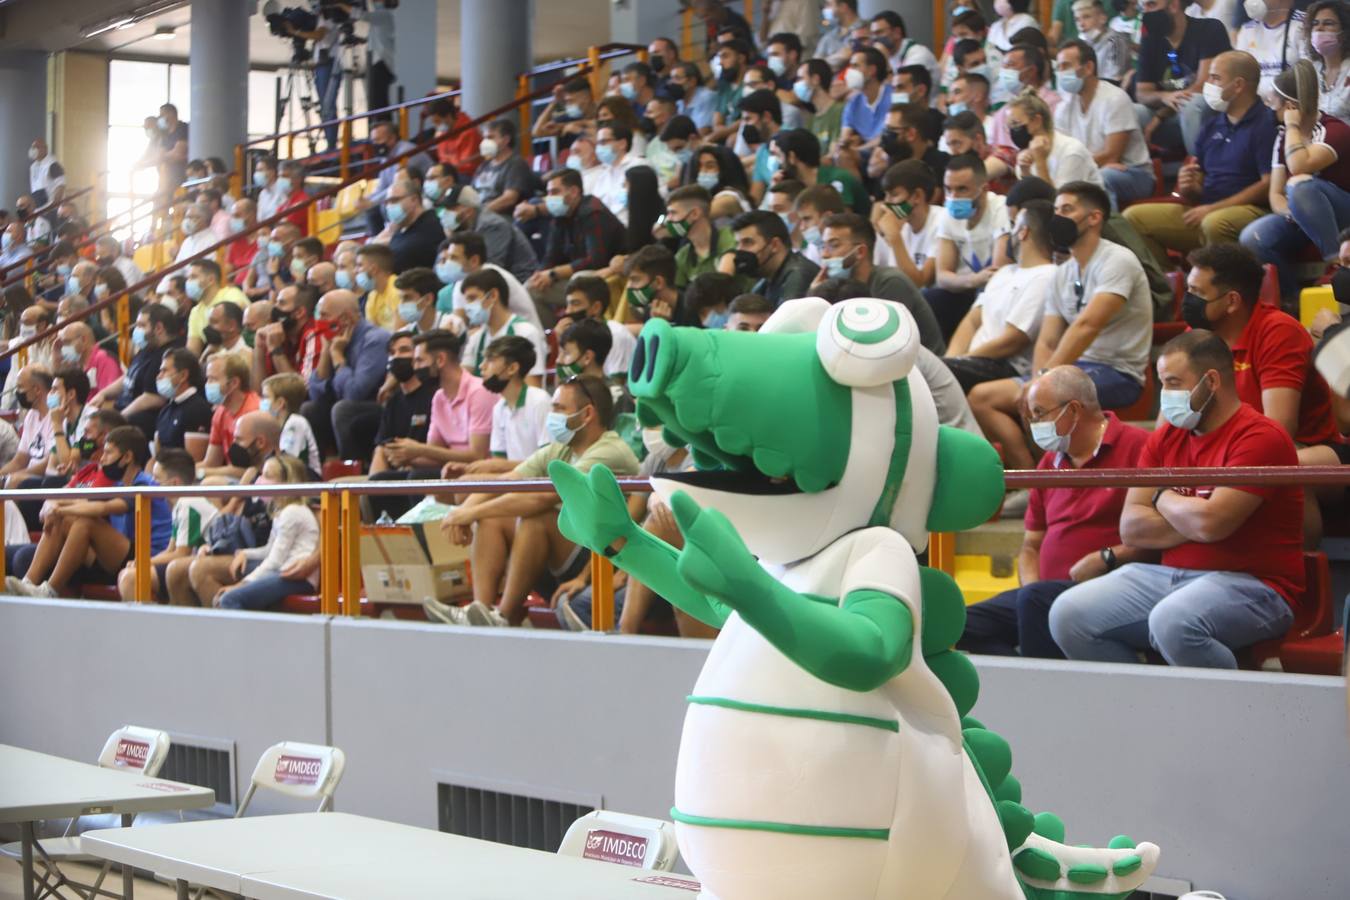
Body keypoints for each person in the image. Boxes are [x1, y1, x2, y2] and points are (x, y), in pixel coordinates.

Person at [1049, 331, 1303, 669]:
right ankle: (1141, 712)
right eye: (1163, 384)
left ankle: (1228, 717)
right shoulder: (1166, 437)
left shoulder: (1260, 437)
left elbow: (1211, 524)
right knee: (1068, 614)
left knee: (1174, 621)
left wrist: (1160, 494)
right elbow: (1132, 529)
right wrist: (1200, 517)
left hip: (1256, 585)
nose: (1166, 396)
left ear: (1211, 381)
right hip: (1168, 575)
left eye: (1173, 383)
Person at [959, 366, 1153, 657]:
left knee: (1034, 603)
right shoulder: (1049, 462)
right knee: (963, 625)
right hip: (1042, 594)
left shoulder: (1140, 447)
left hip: (1106, 588)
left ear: (1073, 410)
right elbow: (1030, 545)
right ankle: (1027, 684)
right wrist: (1030, 587)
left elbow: (1158, 539)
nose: (1034, 424)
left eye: (1039, 413)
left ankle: (1044, 693)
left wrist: (1107, 557)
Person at [969, 182, 1151, 471]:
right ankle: (1032, 479)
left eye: (1067, 209)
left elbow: (1087, 326)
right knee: (981, 397)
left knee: (1049, 398)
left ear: (1094, 218)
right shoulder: (1062, 272)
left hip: (1117, 372)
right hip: (1071, 368)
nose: (1057, 218)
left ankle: (1056, 480)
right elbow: (1048, 340)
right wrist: (1037, 380)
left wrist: (1042, 382)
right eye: (1055, 210)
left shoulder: (1117, 260)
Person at [435, 375, 641, 627]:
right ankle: (481, 613)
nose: (551, 415)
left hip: (601, 557)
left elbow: (541, 498)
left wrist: (469, 514)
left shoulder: (609, 450)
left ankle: (504, 616)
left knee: (537, 519)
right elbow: (507, 480)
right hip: (568, 549)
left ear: (587, 414)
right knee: (491, 519)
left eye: (559, 408)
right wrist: (462, 512)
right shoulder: (561, 449)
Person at [1184, 243, 1346, 542]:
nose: (1187, 300)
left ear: (1231, 300)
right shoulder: (1195, 338)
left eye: (1197, 293)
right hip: (1228, 447)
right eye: (1188, 289)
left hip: (1312, 448)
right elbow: (1169, 424)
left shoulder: (1277, 331)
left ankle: (1301, 568)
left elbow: (1279, 429)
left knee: (1278, 464)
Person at [1124, 52, 1272, 269]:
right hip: (1207, 209)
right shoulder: (1212, 125)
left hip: (1251, 211)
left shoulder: (1266, 124)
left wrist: (1213, 209)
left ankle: (1219, 291)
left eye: (1215, 78)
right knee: (1133, 218)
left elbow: (1267, 184)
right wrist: (1190, 187)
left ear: (1238, 85)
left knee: (1214, 223)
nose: (1208, 85)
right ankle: (1170, 288)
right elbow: (1197, 187)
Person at [7, 426, 171, 600]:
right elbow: (84, 502)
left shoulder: (144, 484)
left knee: (86, 523)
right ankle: (28, 583)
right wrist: (54, 506)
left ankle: (49, 590)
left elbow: (104, 508)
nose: (102, 458)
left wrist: (59, 509)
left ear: (127, 457)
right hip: (119, 554)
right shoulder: (118, 484)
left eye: (108, 453)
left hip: (148, 555)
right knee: (66, 520)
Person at [1241, 60, 1350, 300]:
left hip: (1343, 214)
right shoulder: (1281, 138)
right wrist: (1298, 213)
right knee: (1252, 238)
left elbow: (1299, 166)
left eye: (1273, 103)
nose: (1270, 109)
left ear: (1289, 106)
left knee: (1299, 184)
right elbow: (1275, 195)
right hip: (1305, 216)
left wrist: (1292, 126)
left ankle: (1335, 262)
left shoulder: (1335, 130)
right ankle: (1292, 299)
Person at [945, 199, 1056, 392]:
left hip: (1004, 366)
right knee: (922, 368)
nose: (1008, 233)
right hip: (971, 362)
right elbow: (972, 321)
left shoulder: (1047, 274)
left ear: (1024, 231)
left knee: (926, 374)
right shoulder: (1004, 272)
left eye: (1013, 225)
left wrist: (961, 361)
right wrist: (950, 360)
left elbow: (1012, 340)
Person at [199, 454, 321, 611]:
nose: (260, 481)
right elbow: (269, 549)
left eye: (268, 476)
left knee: (230, 599)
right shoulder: (281, 510)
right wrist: (245, 553)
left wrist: (241, 585)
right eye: (262, 474)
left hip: (297, 578)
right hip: (283, 571)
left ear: (287, 482)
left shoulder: (293, 512)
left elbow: (274, 562)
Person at [814, 212, 946, 352]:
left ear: (860, 252)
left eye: (833, 245)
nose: (824, 254)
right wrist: (815, 297)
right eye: (823, 246)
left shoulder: (890, 282)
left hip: (921, 368)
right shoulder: (840, 287)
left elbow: (879, 347)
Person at [927, 153, 1011, 338]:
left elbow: (998, 273)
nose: (953, 197)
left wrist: (969, 280)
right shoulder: (948, 215)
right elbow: (942, 276)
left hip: (1000, 293)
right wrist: (973, 280)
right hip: (968, 288)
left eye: (962, 189)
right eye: (948, 189)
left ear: (984, 188)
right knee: (932, 299)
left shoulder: (1001, 208)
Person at [303, 289, 391, 461]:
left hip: (374, 408)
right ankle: (316, 472)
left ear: (345, 319)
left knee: (343, 409)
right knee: (310, 409)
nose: (318, 322)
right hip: (345, 406)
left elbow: (354, 392)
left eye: (324, 316)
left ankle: (351, 470)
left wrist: (337, 357)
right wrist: (326, 351)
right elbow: (316, 394)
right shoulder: (334, 339)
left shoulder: (376, 339)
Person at [1134, 0, 1231, 155]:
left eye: (1151, 5)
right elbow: (1142, 93)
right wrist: (1164, 96)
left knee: (1193, 104)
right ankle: (1142, 172)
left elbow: (1203, 86)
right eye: (1142, 7)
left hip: (1209, 117)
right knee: (1134, 111)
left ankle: (1197, 170)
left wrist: (1161, 114)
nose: (1145, 12)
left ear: (1173, 5)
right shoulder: (1149, 40)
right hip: (1171, 119)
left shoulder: (1209, 29)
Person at [524, 168, 627, 306]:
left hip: (609, 277)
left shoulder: (593, 212)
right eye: (548, 193)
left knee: (534, 291)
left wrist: (554, 274)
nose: (549, 198)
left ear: (573, 191)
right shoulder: (560, 215)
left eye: (555, 192)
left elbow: (595, 261)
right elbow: (551, 256)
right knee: (532, 285)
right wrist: (540, 274)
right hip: (580, 278)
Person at [453, 335, 551, 476]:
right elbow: (499, 460)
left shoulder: (540, 401)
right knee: (461, 483)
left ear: (512, 368)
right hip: (512, 479)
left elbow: (547, 463)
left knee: (465, 486)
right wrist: (470, 468)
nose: (482, 366)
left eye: (490, 360)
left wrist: (496, 465)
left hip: (538, 482)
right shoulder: (499, 408)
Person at [438, 232, 545, 332]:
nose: (448, 263)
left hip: (521, 337)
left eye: (454, 258)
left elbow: (491, 321)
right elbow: (459, 322)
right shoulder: (462, 281)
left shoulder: (495, 278)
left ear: (474, 260)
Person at [434, 183, 538, 283]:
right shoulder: (460, 227)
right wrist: (451, 238)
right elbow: (440, 268)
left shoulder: (492, 225)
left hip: (519, 280)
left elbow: (489, 268)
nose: (445, 213)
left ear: (468, 211)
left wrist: (452, 239)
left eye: (451, 209)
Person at [459, 268, 547, 383]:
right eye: (466, 301)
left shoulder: (526, 333)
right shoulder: (476, 338)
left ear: (493, 295)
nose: (468, 307)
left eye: (472, 298)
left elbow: (533, 386)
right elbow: (462, 383)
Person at [722, 209, 819, 307]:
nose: (740, 250)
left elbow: (785, 321)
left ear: (774, 245)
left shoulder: (799, 274)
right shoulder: (764, 283)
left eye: (748, 242)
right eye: (737, 244)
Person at [1008, 92, 1104, 189]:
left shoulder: (1071, 151)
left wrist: (1041, 162)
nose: (1012, 130)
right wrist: (1025, 173)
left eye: (1015, 123)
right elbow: (1032, 199)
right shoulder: (1025, 154)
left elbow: (1057, 201)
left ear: (1037, 121)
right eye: (1009, 126)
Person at [874, 160, 944, 291]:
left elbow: (920, 283)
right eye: (886, 195)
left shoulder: (942, 222)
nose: (887, 202)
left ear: (917, 196)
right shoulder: (901, 226)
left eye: (894, 195)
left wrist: (895, 238)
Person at [557, 274, 637, 377]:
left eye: (575, 304)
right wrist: (562, 343)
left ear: (596, 307)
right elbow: (562, 386)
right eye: (567, 304)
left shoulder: (616, 335)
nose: (568, 311)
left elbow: (617, 386)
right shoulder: (575, 336)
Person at [662, 185, 738, 290]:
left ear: (695, 214)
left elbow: (722, 285)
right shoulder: (682, 256)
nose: (668, 220)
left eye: (673, 213)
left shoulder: (729, 236)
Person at [1234, 0, 1306, 102]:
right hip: (1257, 107)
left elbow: (1308, 75)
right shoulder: (1247, 30)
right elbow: (1239, 74)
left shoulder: (1303, 25)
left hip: (1291, 104)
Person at [183, 259, 248, 356]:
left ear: (211, 280)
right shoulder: (195, 312)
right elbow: (192, 351)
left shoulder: (231, 294)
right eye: (188, 278)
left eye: (193, 277)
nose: (188, 282)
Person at [472, 118, 536, 216]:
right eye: (484, 138)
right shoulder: (484, 166)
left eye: (490, 137)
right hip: (481, 218)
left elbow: (509, 199)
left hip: (501, 219)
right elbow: (472, 194)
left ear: (506, 140)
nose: (485, 142)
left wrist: (478, 213)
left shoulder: (516, 164)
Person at [154, 348, 213, 453]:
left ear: (183, 375)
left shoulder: (198, 410)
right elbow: (156, 456)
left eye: (164, 371)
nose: (159, 376)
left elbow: (193, 461)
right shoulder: (166, 409)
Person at [591, 122, 651, 225]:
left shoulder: (640, 166)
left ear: (622, 143)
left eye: (603, 142)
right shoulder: (603, 175)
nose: (599, 148)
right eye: (598, 143)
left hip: (632, 228)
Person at [379, 176, 443, 272]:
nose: (389, 207)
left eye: (394, 200)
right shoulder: (402, 228)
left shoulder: (431, 226)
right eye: (387, 203)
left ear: (414, 200)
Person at [840, 46, 894, 148]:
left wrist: (859, 150)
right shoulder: (853, 102)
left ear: (871, 70)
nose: (849, 71)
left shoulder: (894, 97)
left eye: (855, 66)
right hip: (862, 154)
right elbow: (845, 137)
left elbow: (889, 136)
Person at [1306, 0, 1350, 119]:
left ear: (1345, 32)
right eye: (1315, 23)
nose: (1319, 28)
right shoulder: (1310, 71)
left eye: (1328, 23)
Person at [622, 245, 684, 326]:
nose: (629, 286)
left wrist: (661, 325)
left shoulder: (693, 309)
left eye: (635, 280)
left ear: (658, 282)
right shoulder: (650, 310)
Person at [872, 11, 940, 81]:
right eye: (873, 34)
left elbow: (902, 89)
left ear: (897, 32)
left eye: (879, 32)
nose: (874, 38)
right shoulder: (889, 55)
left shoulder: (919, 54)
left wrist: (884, 60)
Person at [58, 322, 121, 396]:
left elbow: (111, 400)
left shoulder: (104, 360)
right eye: (62, 344)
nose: (64, 348)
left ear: (83, 340)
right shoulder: (76, 365)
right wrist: (56, 361)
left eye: (67, 342)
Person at [201, 300, 251, 369]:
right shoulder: (218, 352)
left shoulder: (246, 357)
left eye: (214, 322)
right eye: (209, 323)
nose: (209, 327)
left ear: (231, 325)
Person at [816, 0, 863, 68]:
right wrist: (839, 56)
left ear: (843, 7)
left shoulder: (868, 31)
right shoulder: (828, 38)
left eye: (829, 4)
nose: (824, 9)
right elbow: (814, 68)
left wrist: (826, 61)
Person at [27, 137, 64, 209]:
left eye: (36, 147)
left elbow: (61, 185)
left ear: (45, 149)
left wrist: (54, 204)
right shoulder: (33, 167)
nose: (33, 150)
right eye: (32, 147)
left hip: (50, 206)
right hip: (38, 206)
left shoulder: (53, 164)